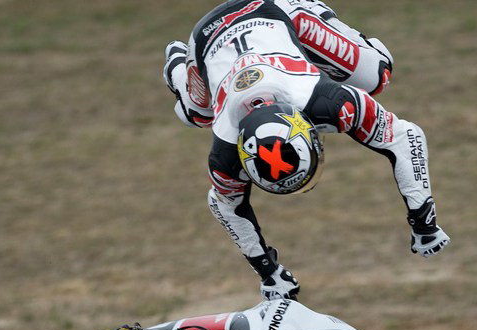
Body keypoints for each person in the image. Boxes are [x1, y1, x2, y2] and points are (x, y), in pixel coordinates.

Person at [162, 0, 450, 300]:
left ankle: (312, 9)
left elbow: (405, 135)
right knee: (196, 114)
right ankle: (176, 60)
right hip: (206, 38)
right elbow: (224, 205)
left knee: (377, 75)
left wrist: (424, 220)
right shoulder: (224, 153)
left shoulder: (330, 100)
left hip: (276, 10)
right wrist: (268, 271)